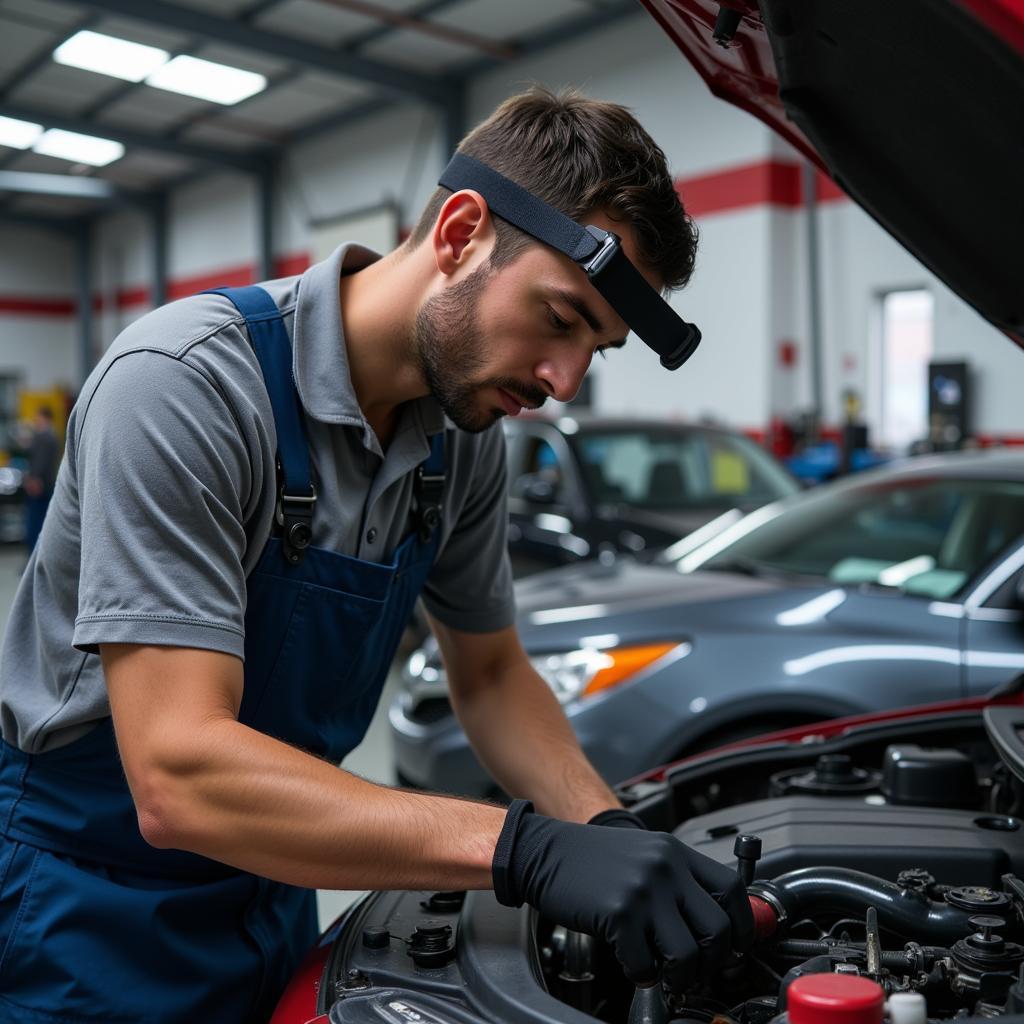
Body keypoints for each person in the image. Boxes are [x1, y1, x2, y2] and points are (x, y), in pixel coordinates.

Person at [0, 88, 751, 1023]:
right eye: (561, 319)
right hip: (89, 913)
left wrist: (604, 832)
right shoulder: (185, 388)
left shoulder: (464, 438)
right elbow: (178, 773)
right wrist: (527, 851)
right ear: (462, 231)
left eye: (595, 350)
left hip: (273, 889)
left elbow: (489, 675)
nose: (563, 382)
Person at [22, 404, 58, 552]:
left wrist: (34, 479)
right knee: (44, 520)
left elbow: (40, 461)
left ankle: (34, 555)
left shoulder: (44, 436)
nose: (36, 419)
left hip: (39, 485)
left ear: (45, 417)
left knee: (35, 522)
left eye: (38, 416)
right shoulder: (52, 435)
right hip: (47, 483)